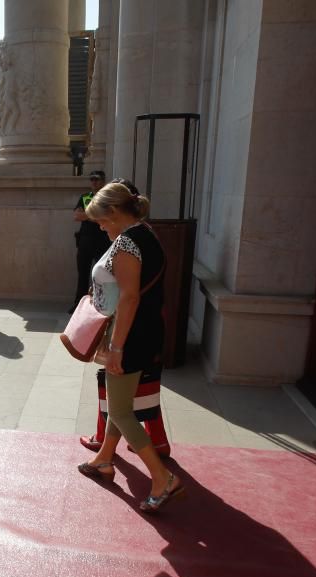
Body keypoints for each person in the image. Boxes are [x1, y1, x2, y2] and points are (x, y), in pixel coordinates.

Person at [76, 181, 183, 513]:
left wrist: (117, 347)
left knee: (121, 410)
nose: (100, 227)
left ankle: (162, 478)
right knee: (118, 400)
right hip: (143, 332)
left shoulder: (126, 243)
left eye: (102, 220)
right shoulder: (145, 234)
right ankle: (105, 459)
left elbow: (129, 297)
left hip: (129, 335)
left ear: (114, 212)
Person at [71, 170, 111, 311]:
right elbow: (76, 216)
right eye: (92, 179)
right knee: (82, 274)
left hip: (103, 241)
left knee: (101, 275)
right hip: (85, 241)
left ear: (103, 181)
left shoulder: (107, 198)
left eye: (97, 179)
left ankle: (100, 306)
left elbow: (106, 217)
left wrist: (87, 214)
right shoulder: (86, 197)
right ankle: (78, 306)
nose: (94, 182)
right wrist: (94, 215)